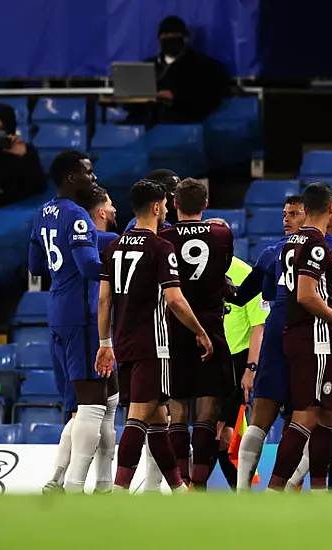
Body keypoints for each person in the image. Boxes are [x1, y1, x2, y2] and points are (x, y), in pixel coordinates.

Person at [96, 179, 214, 492]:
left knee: (158, 419)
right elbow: (174, 299)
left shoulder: (113, 247)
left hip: (123, 342)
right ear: (157, 207)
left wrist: (104, 344)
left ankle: (178, 489)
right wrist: (200, 332)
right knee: (138, 416)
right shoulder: (161, 247)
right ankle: (118, 491)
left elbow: (104, 299)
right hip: (154, 345)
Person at [29, 151, 117, 494]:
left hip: (56, 314)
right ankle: (74, 486)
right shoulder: (78, 215)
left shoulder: (41, 214)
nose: (93, 179)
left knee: (88, 404)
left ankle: (69, 481)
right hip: (81, 316)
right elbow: (89, 267)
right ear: (70, 177)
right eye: (88, 173)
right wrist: (121, 271)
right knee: (93, 403)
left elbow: (37, 267)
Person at [266, 183, 332, 491]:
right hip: (313, 338)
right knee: (306, 415)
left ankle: (319, 489)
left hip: (309, 336)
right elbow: (307, 295)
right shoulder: (317, 245)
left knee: (329, 410)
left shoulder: (289, 244)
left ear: (305, 209)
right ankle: (276, 488)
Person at [158, 178, 235, 489]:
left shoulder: (163, 237)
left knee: (177, 411)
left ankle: (182, 482)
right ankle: (199, 484)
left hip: (174, 328)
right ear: (205, 204)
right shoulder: (222, 233)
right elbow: (224, 267)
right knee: (206, 413)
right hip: (212, 327)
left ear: (175, 204)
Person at [229, 195, 304, 491]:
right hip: (301, 336)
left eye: (294, 214)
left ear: (308, 215)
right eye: (285, 214)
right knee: (298, 416)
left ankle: (252, 490)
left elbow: (243, 294)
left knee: (269, 413)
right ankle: (283, 487)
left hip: (276, 333)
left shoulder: (271, 254)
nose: (286, 219)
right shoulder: (322, 250)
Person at [214, 253, 269, 488]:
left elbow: (259, 326)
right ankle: (240, 491)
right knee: (221, 434)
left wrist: (251, 368)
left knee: (221, 432)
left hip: (236, 363)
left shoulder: (245, 274)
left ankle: (192, 487)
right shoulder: (198, 269)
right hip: (206, 360)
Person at [133, 16, 230, 124]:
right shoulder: (148, 66)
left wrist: (175, 98)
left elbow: (209, 98)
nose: (169, 39)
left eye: (174, 36)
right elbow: (133, 104)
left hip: (180, 121)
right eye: (165, 36)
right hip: (145, 120)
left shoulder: (204, 66)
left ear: (185, 38)